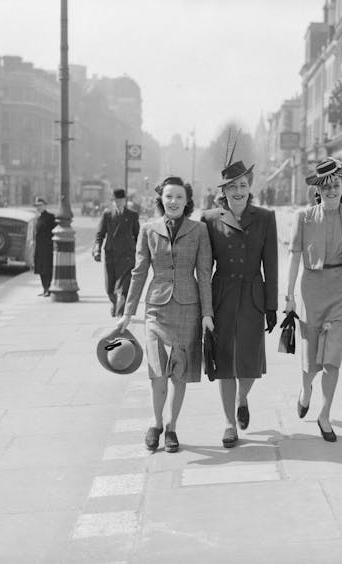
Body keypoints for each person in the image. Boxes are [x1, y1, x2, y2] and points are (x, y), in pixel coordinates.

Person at [285, 157, 342, 442]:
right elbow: (294, 256)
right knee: (310, 358)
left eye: (335, 185)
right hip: (311, 289)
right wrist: (288, 296)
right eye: (325, 186)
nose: (330, 190)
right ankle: (305, 390)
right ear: (318, 189)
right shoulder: (303, 217)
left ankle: (324, 415)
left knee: (332, 359)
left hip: (340, 288)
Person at [117, 177, 214, 453]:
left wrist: (207, 313)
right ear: (161, 199)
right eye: (169, 197)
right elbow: (138, 273)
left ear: (187, 202)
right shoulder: (148, 230)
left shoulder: (199, 231)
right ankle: (156, 423)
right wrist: (127, 313)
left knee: (179, 372)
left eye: (179, 197)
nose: (173, 202)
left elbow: (204, 274)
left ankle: (172, 428)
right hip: (156, 309)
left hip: (188, 307)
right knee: (157, 371)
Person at [200, 160, 278, 448]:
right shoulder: (209, 218)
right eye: (232, 186)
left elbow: (271, 264)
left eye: (243, 185)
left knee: (250, 363)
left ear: (250, 188)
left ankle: (241, 398)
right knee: (225, 365)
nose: (238, 191)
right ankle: (229, 424)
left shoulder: (266, 217)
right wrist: (206, 308)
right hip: (223, 295)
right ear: (224, 191)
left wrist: (271, 305)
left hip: (253, 296)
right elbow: (204, 267)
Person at [93, 188, 140, 317]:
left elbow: (138, 236)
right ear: (113, 201)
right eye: (116, 200)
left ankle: (121, 313)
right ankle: (114, 303)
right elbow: (100, 234)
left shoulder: (132, 215)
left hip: (127, 256)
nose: (118, 203)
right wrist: (97, 249)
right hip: (111, 255)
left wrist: (140, 253)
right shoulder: (107, 215)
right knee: (109, 288)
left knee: (123, 288)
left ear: (125, 201)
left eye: (121, 200)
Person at [33, 197, 56, 297]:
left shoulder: (50, 217)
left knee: (47, 268)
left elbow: (55, 230)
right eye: (37, 206)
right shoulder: (37, 218)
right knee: (40, 268)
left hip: (47, 247)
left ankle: (48, 288)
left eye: (40, 206)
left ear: (45, 206)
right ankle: (44, 288)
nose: (38, 207)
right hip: (39, 247)